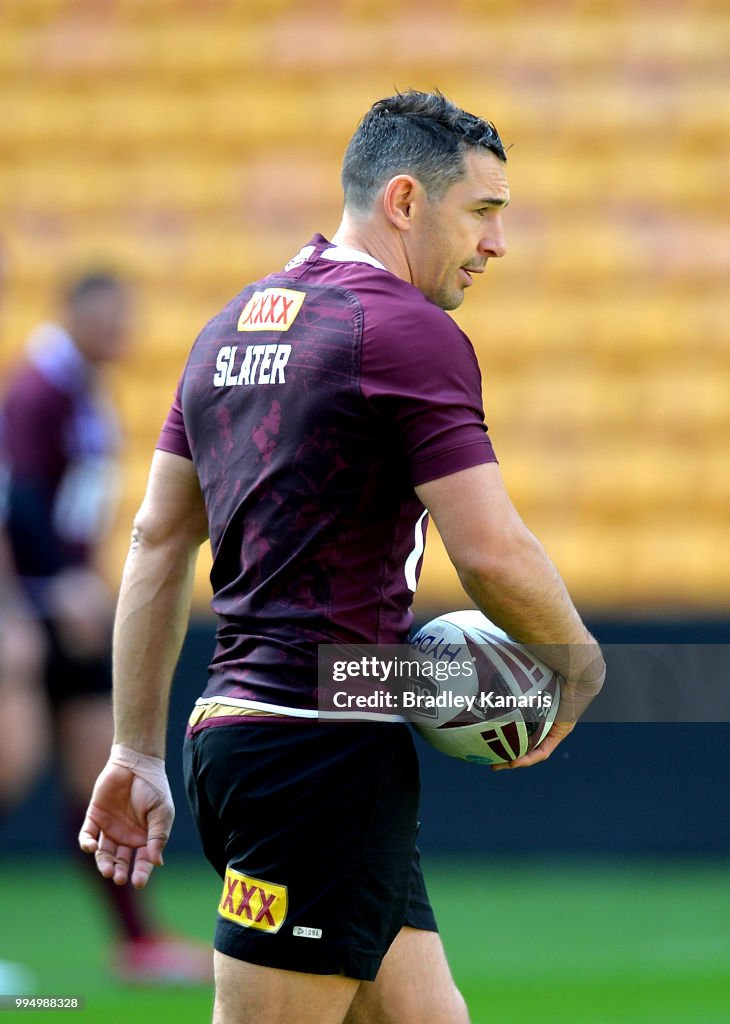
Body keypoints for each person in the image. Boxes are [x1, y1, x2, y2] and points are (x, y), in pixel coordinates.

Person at [79, 91, 605, 1023]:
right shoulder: (408, 332)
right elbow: (491, 552)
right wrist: (581, 667)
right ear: (405, 200)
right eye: (482, 212)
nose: (497, 244)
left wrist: (134, 749)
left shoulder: (230, 327)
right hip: (316, 752)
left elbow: (157, 540)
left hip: (245, 740)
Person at [1, 271, 211, 984]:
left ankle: (135, 941)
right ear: (79, 315)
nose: (125, 331)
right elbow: (19, 499)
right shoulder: (39, 390)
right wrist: (45, 589)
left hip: (76, 608)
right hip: (40, 604)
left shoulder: (83, 389)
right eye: (113, 317)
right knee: (10, 764)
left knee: (101, 773)